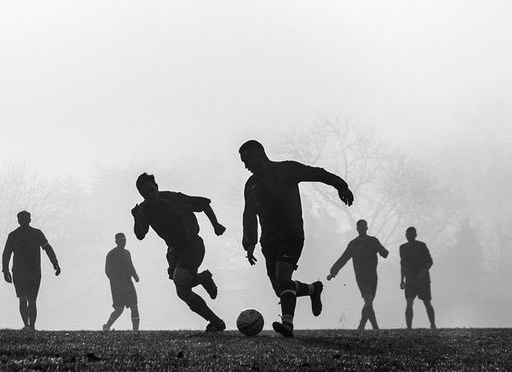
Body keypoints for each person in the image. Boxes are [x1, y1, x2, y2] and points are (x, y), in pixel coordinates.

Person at [240, 139, 354, 337]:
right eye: (243, 162)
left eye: (247, 160)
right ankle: (312, 290)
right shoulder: (251, 185)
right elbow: (249, 214)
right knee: (280, 289)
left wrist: (341, 186)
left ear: (259, 154)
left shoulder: (286, 170)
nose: (246, 166)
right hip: (268, 241)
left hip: (291, 235)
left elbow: (317, 173)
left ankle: (287, 325)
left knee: (284, 277)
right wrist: (249, 243)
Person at [132, 173, 226, 332]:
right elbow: (140, 235)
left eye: (151, 190)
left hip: (192, 244)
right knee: (182, 291)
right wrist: (136, 217)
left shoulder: (171, 198)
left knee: (180, 278)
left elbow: (203, 204)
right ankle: (216, 322)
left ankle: (203, 278)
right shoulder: (144, 209)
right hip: (174, 251)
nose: (150, 195)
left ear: (157, 186)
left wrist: (216, 225)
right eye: (145, 194)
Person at [2, 210, 61, 331]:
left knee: (32, 300)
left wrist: (55, 263)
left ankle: (31, 325)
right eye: (21, 220)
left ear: (29, 220)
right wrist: (5, 270)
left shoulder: (37, 234)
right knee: (23, 299)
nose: (23, 222)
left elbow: (47, 248)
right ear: (18, 221)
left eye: (25, 220)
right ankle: (27, 325)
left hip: (33, 272)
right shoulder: (13, 235)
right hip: (20, 273)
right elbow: (6, 253)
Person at [327, 219, 389, 330]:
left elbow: (384, 252)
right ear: (357, 229)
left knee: (368, 302)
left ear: (366, 228)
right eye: (359, 227)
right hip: (361, 275)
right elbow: (344, 258)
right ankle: (376, 328)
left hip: (373, 276)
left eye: (363, 226)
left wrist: (384, 252)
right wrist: (333, 272)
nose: (361, 229)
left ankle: (361, 327)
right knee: (368, 299)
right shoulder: (354, 244)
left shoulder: (373, 241)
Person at [399, 226, 436, 330]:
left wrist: (423, 273)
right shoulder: (402, 247)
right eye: (407, 234)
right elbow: (403, 264)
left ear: (415, 235)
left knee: (427, 302)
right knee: (409, 303)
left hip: (422, 281)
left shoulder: (421, 246)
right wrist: (402, 280)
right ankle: (409, 327)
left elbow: (430, 261)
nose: (408, 236)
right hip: (410, 281)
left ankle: (433, 324)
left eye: (411, 234)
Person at [103, 232, 140, 331]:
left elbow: (130, 266)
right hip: (117, 287)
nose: (123, 242)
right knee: (119, 309)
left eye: (124, 240)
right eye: (120, 240)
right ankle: (107, 326)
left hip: (128, 284)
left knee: (134, 306)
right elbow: (108, 271)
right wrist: (116, 284)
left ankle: (135, 331)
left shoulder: (127, 253)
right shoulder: (111, 254)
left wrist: (135, 276)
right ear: (116, 242)